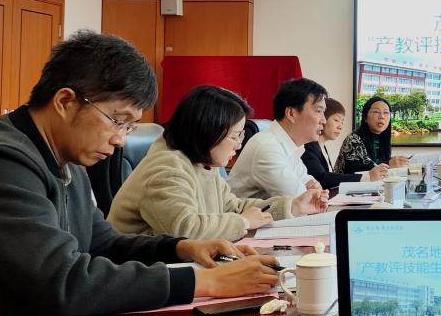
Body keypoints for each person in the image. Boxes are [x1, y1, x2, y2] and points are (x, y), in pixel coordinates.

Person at [0, 31, 282, 316]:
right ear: (65, 101)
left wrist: (181, 248)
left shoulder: (65, 158)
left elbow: (102, 243)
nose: (121, 139)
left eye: (130, 126)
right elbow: (63, 281)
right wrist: (207, 282)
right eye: (117, 120)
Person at [108, 85, 329, 240]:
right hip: (143, 274)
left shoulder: (203, 161)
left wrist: (293, 206)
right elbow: (185, 229)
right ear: (208, 132)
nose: (238, 145)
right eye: (235, 136)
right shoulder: (167, 167)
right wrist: (243, 222)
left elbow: (232, 207)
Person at [228, 78, 329, 199]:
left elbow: (311, 186)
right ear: (291, 113)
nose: (324, 120)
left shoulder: (292, 146)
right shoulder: (266, 147)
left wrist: (313, 189)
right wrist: (311, 192)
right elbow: (301, 199)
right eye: (318, 111)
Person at [302, 97, 387, 189]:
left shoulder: (321, 146)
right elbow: (322, 178)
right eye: (336, 120)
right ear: (323, 118)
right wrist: (367, 177)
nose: (340, 127)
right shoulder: (308, 146)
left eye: (342, 122)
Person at [335, 96, 409, 174]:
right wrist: (388, 164)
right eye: (376, 112)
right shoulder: (353, 139)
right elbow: (354, 171)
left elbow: (375, 162)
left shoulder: (383, 138)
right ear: (365, 117)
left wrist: (396, 162)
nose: (382, 116)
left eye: (386, 113)